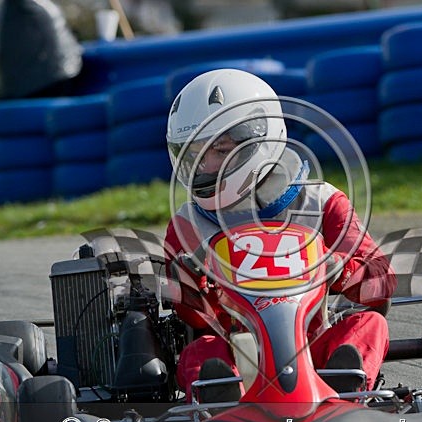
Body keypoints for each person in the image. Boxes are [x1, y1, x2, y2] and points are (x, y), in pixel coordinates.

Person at [163, 69, 396, 403]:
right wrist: (195, 282)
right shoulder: (187, 224)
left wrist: (336, 268)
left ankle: (345, 392)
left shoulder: (322, 202)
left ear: (261, 138)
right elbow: (191, 317)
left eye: (220, 150)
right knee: (201, 351)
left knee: (370, 323)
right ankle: (222, 407)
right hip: (238, 350)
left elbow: (380, 282)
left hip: (314, 349)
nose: (206, 167)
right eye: (194, 155)